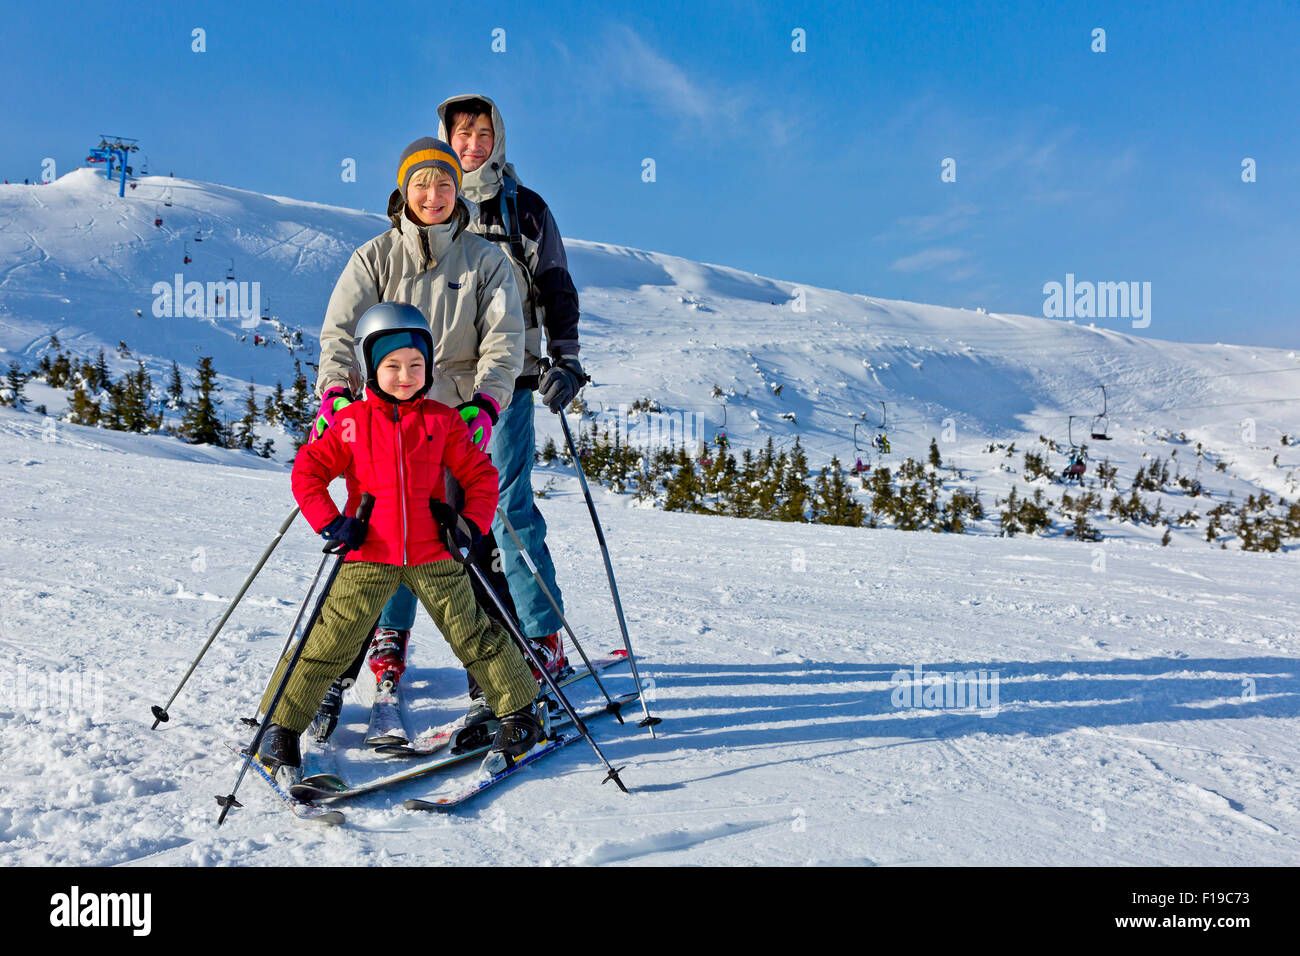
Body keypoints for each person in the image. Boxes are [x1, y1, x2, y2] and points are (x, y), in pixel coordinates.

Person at [256, 303, 542, 771]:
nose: (405, 375)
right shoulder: (350, 424)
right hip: (369, 553)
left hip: (434, 552)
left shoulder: (442, 421)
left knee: (476, 634)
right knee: (328, 642)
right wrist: (332, 523)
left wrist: (469, 525)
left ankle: (519, 711)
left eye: (416, 365)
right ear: (371, 368)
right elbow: (307, 471)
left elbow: (481, 476)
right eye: (392, 366)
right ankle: (279, 726)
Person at [308, 137, 526, 733]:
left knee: (471, 547)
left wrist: (485, 404)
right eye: (422, 185)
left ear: (461, 190)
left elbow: (505, 341)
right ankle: (326, 680)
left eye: (446, 184)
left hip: (453, 421)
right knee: (364, 550)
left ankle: (496, 684)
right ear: (404, 191)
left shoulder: (486, 260)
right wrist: (335, 392)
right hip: (379, 427)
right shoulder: (374, 258)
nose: (434, 196)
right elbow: (339, 333)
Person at [437, 94, 586, 682]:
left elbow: (555, 286)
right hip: (437, 386)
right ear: (444, 137)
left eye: (481, 133)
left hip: (509, 381)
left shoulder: (526, 210)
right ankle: (412, 646)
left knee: (505, 507)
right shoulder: (429, 202)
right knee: (431, 512)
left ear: (498, 137)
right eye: (461, 133)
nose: (471, 145)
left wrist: (566, 360)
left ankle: (541, 637)